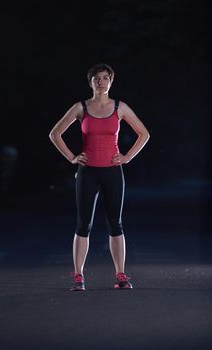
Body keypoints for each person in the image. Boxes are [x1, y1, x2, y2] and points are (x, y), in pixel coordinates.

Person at [49, 63, 150, 291]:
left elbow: (144, 134)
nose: (101, 82)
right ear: (91, 82)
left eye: (105, 78)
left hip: (113, 171)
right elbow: (54, 133)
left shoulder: (119, 107)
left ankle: (121, 275)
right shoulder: (81, 107)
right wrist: (72, 158)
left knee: (116, 223)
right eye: (97, 78)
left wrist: (127, 157)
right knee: (83, 224)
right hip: (88, 172)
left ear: (111, 81)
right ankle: (78, 276)